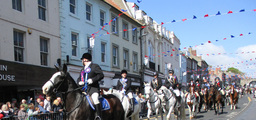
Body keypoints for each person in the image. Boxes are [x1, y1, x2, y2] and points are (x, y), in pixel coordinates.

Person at [77, 53, 104, 119]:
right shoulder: (82, 69)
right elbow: (79, 78)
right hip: (84, 90)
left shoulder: (94, 66)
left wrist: (92, 80)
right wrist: (79, 82)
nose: (82, 61)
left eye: (82, 60)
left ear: (85, 60)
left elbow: (101, 75)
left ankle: (98, 116)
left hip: (93, 89)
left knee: (95, 99)